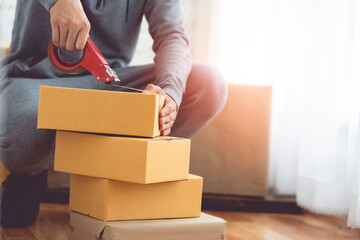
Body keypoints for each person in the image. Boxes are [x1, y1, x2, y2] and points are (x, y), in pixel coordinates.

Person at [0, 0, 227, 228]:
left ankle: (120, 169)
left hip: (110, 82)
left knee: (209, 85)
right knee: (21, 132)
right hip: (34, 79)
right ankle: (27, 177)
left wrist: (170, 93)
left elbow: (172, 35)